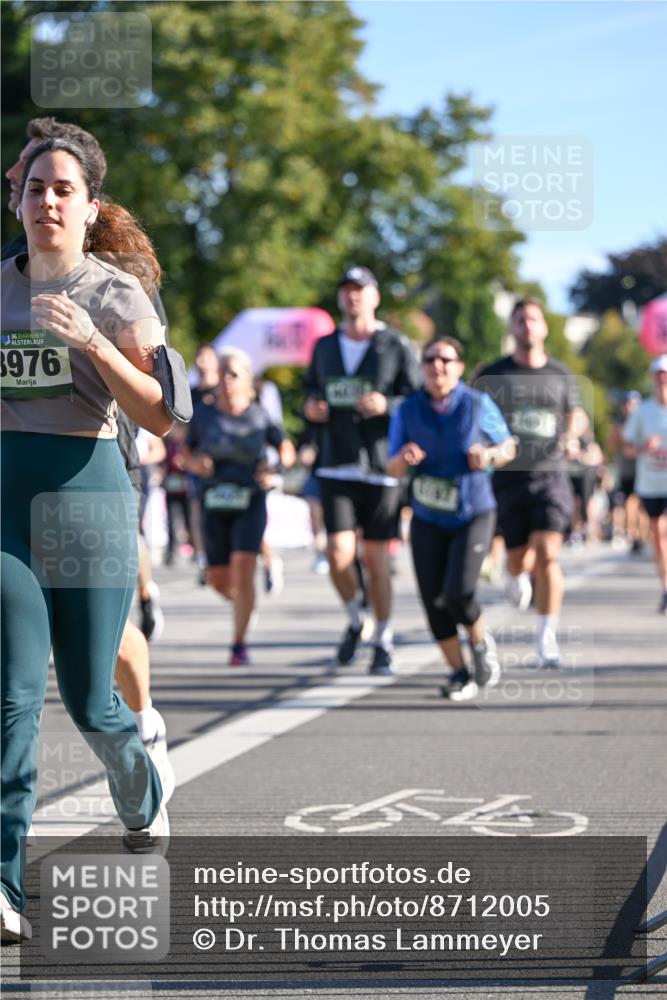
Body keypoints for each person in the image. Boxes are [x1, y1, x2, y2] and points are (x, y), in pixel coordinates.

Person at [1, 137, 173, 941]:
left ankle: (139, 783)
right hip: (5, 496)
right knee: (12, 693)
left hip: (88, 495)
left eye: (64, 189)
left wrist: (93, 343)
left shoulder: (118, 294)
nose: (48, 202)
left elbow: (163, 416)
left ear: (89, 206)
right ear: (16, 199)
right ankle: (4, 885)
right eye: (35, 187)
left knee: (89, 699)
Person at [303, 266, 422, 675]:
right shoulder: (323, 347)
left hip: (381, 466)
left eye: (360, 290)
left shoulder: (395, 345)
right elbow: (310, 392)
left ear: (375, 297)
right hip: (336, 462)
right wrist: (311, 409)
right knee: (337, 555)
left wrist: (386, 406)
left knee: (375, 559)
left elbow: (418, 399)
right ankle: (357, 619)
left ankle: (384, 639)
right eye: (346, 290)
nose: (352, 297)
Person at [387, 336, 516, 700]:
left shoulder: (477, 404)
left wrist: (489, 455)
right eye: (429, 360)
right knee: (433, 601)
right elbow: (392, 466)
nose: (437, 366)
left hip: (473, 511)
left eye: (446, 360)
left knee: (458, 593)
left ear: (459, 367)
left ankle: (479, 642)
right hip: (428, 515)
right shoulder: (408, 409)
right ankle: (459, 671)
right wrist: (404, 458)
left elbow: (509, 447)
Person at [474, 298, 580, 668]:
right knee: (519, 556)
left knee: (549, 554)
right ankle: (515, 572)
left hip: (550, 474)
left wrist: (571, 435)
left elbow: (575, 415)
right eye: (520, 320)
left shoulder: (561, 374)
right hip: (507, 477)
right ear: (512, 328)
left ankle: (546, 638)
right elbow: (474, 417)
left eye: (533, 319)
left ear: (545, 327)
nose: (527, 325)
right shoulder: (493, 375)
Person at [182, 347, 294, 665]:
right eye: (223, 373)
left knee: (244, 568)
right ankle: (244, 604)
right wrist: (196, 463)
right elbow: (183, 454)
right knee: (221, 581)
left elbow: (286, 448)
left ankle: (239, 643)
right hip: (214, 500)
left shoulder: (259, 415)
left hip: (250, 498)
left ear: (248, 379)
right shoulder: (204, 414)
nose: (227, 380)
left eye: (234, 374)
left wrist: (273, 469)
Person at [623, 355, 667, 614]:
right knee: (659, 539)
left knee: (664, 531)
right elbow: (626, 447)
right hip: (650, 485)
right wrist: (641, 447)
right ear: (652, 378)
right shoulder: (643, 411)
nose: (662, 379)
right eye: (658, 375)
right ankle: (665, 587)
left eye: (666, 374)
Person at [609, 391, 647, 552]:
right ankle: (634, 536)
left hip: (645, 470)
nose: (629, 406)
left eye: (632, 403)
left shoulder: (645, 421)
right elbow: (613, 444)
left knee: (642, 505)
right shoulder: (620, 423)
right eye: (627, 403)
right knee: (630, 503)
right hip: (627, 470)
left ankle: (642, 535)